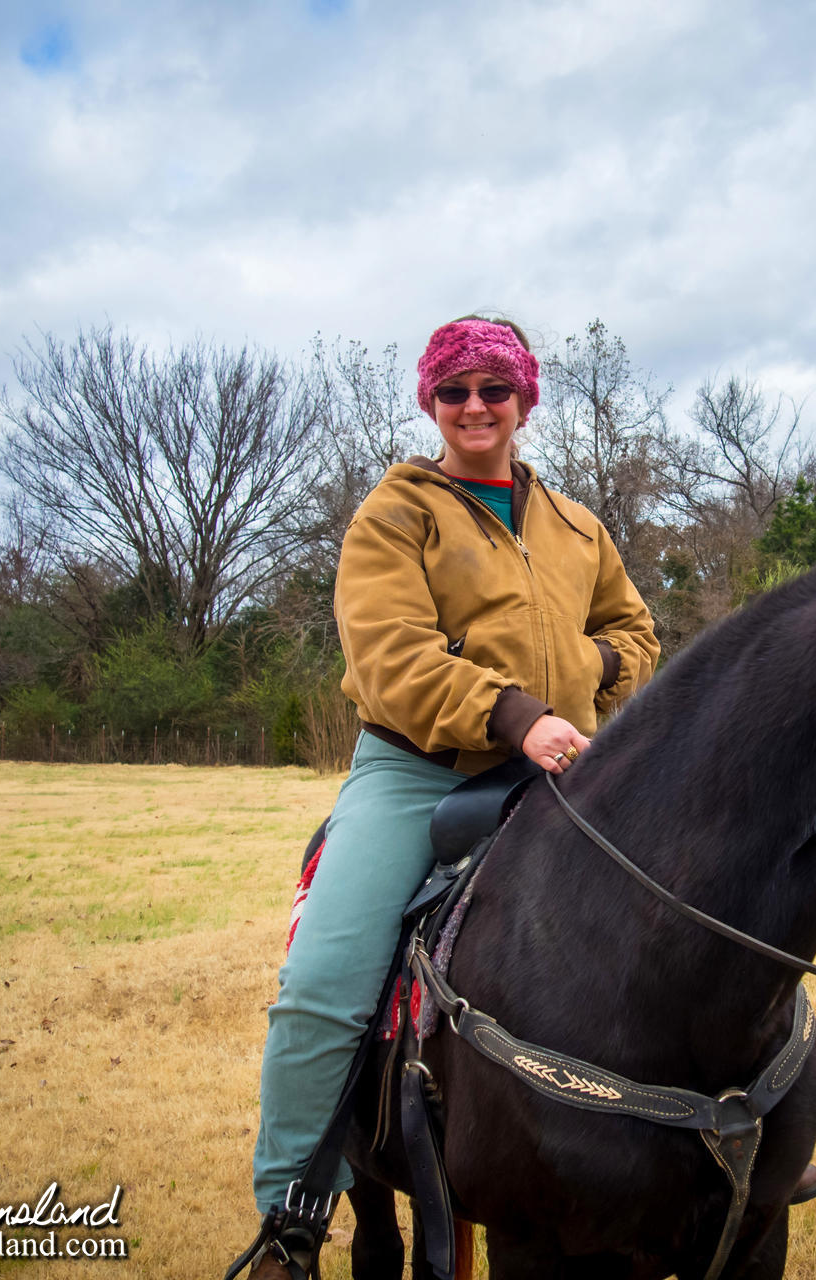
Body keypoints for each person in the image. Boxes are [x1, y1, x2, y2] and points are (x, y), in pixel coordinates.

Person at [241, 315, 661, 1279]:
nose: (475, 407)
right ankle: (290, 1222)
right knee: (321, 986)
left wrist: (588, 666)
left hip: (562, 759)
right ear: (430, 403)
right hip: (418, 769)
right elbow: (389, 658)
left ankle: (739, 1128)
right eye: (454, 391)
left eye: (494, 390)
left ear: (525, 401)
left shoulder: (575, 525)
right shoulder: (395, 513)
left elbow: (635, 632)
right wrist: (515, 710)